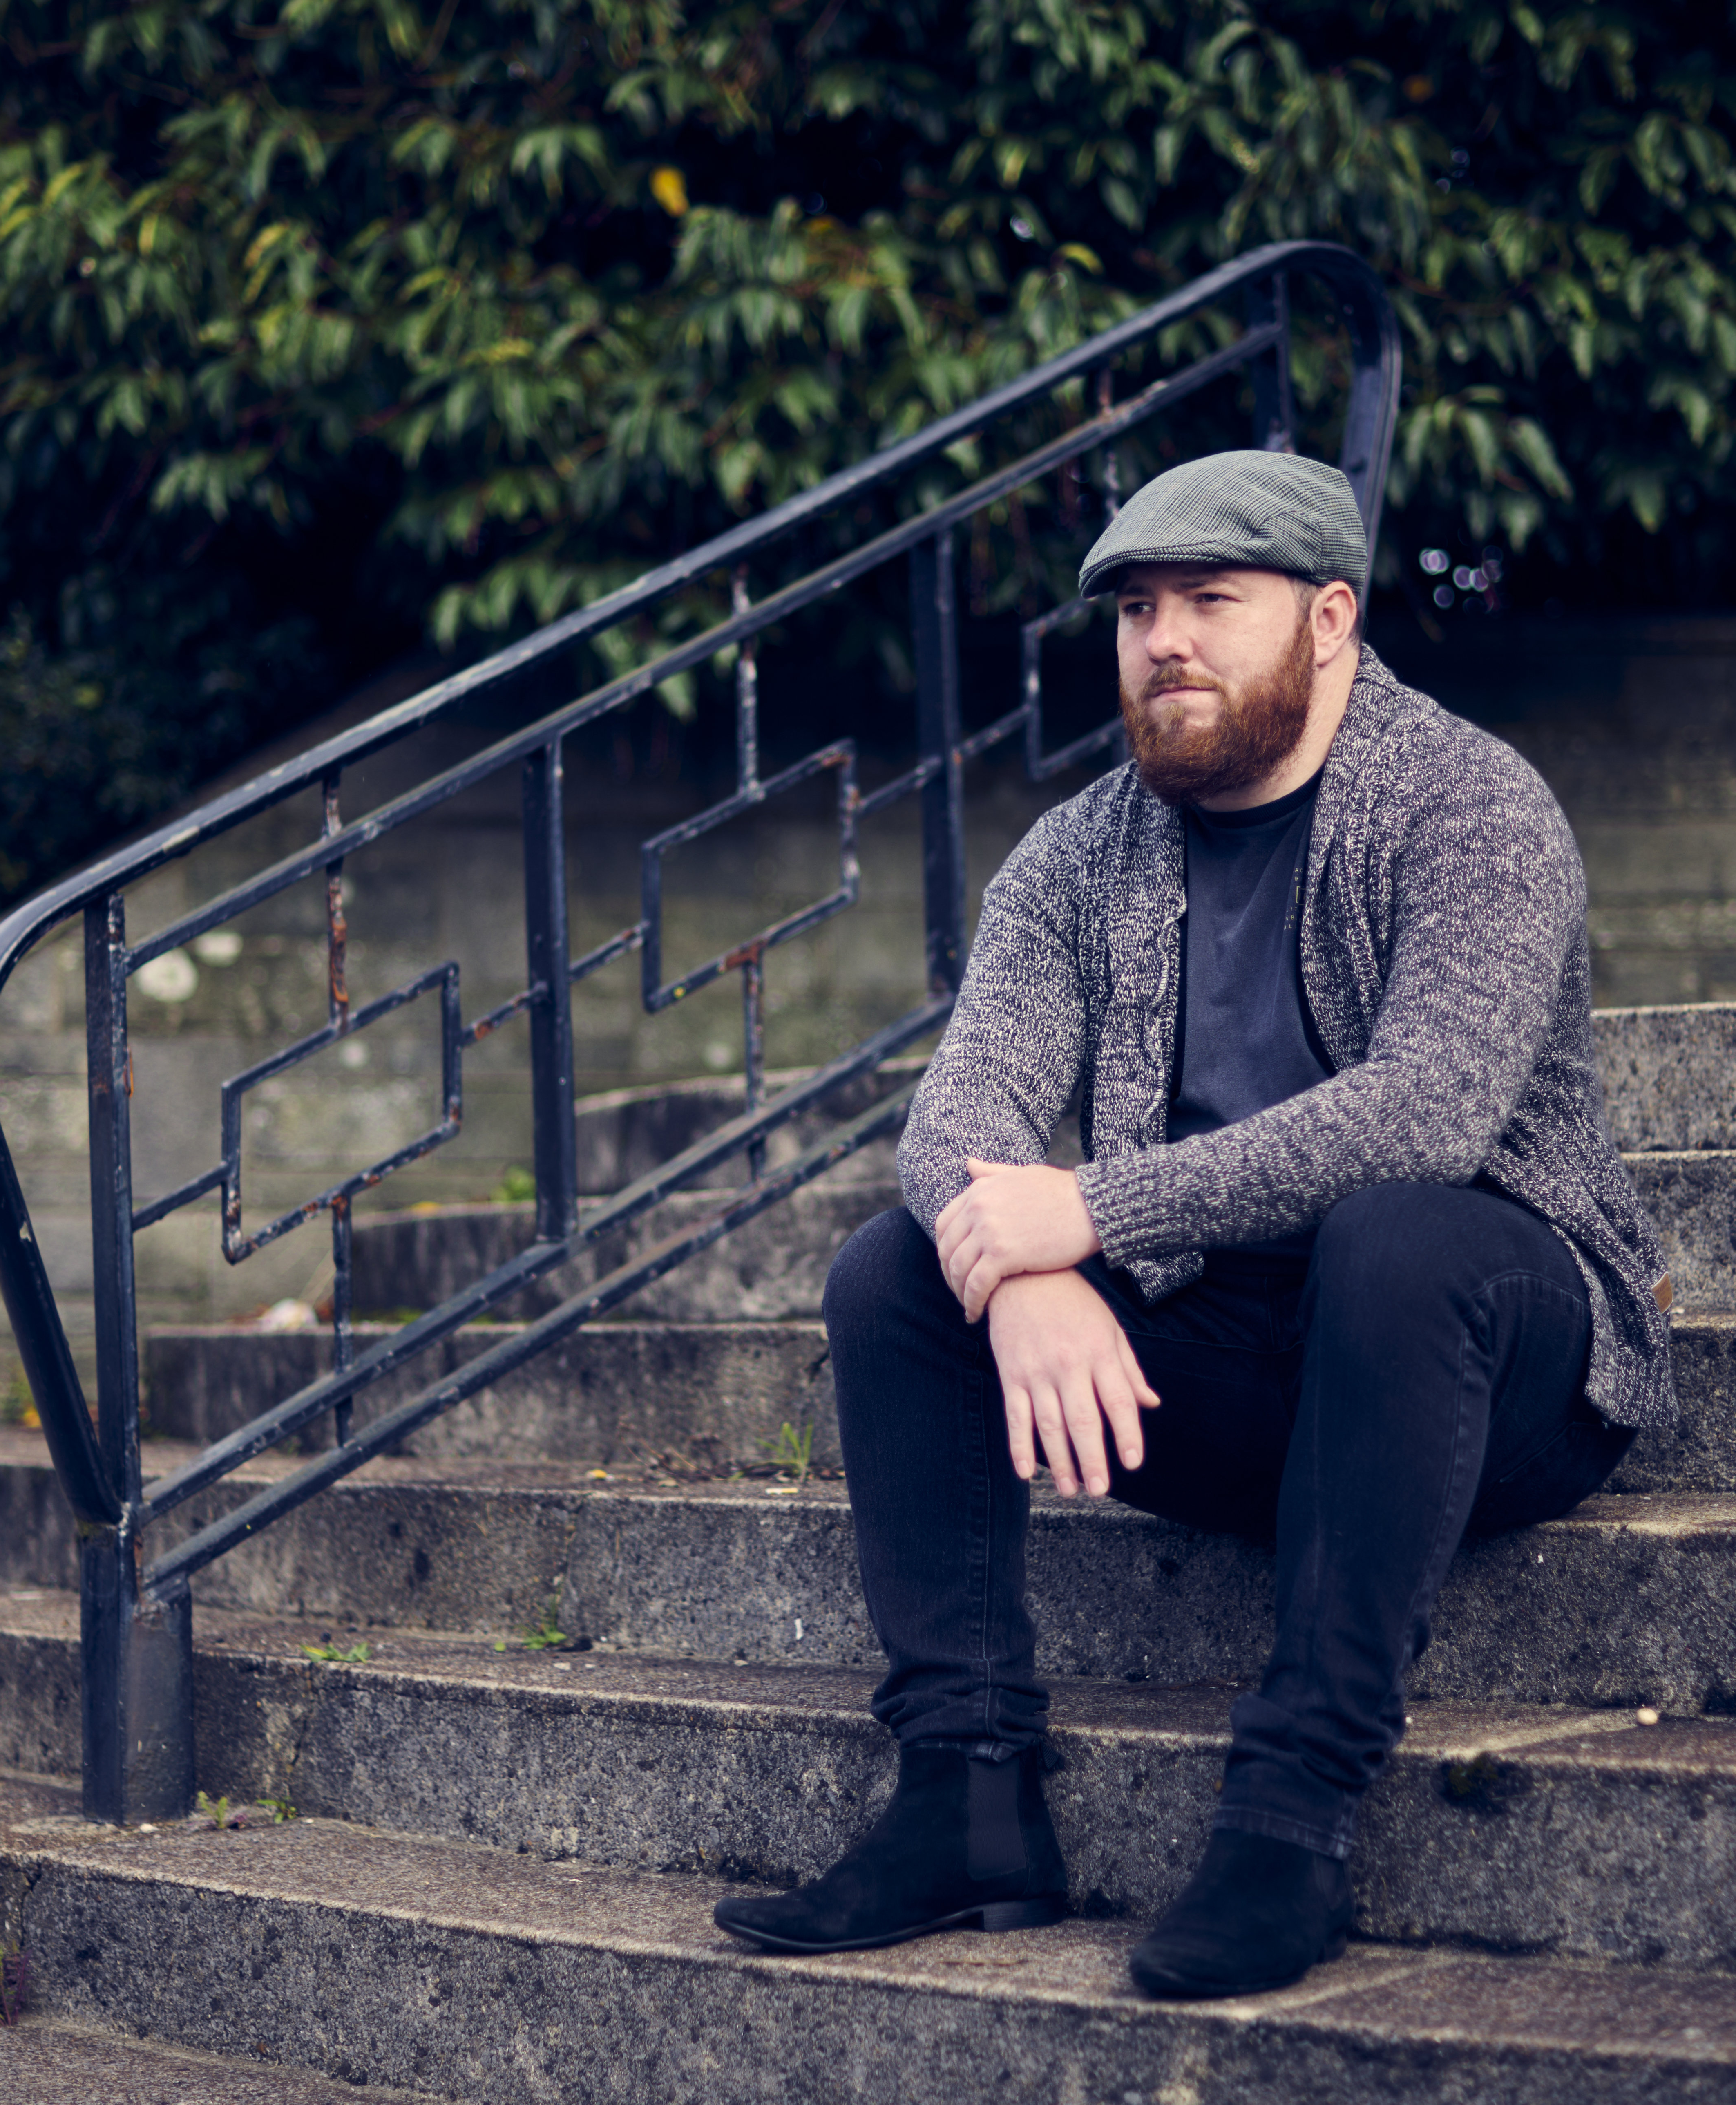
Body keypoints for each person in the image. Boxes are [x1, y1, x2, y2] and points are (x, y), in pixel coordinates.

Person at [709, 448, 1674, 1999]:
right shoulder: (1085, 853)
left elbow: (1424, 1117)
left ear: (1334, 617)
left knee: (1396, 1232)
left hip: (1496, 1366)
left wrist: (1086, 1211)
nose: (1164, 641)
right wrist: (1024, 1281)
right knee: (898, 1274)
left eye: (1213, 602)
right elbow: (955, 1124)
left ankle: (1290, 1817)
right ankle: (964, 1793)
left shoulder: (1471, 806)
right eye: (1139, 609)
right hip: (1242, 1372)